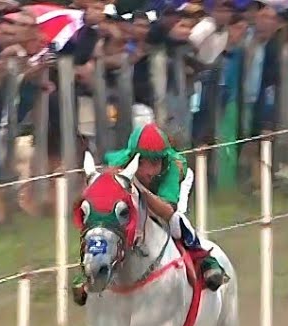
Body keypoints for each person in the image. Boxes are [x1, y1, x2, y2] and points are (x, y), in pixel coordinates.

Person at [72, 122, 229, 306]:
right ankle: (87, 268)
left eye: (155, 163)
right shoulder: (118, 164)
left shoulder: (173, 167)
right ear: (132, 159)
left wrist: (141, 191)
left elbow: (168, 211)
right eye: (142, 163)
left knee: (175, 221)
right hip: (138, 189)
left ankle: (204, 258)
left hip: (171, 195)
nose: (149, 171)